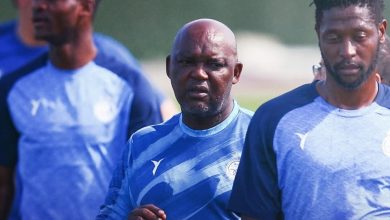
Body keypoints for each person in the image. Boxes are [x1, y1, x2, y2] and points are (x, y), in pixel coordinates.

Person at [0, 0, 167, 219]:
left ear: (86, 6)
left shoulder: (130, 87)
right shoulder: (13, 88)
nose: (38, 6)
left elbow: (150, 182)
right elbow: (3, 185)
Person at [229, 0, 390, 219]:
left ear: (381, 32)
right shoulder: (273, 119)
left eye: (359, 36)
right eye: (334, 38)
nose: (347, 51)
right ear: (318, 34)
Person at [96, 18, 253, 219]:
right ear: (170, 67)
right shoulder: (141, 145)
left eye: (214, 64)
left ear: (236, 72)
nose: (199, 74)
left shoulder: (261, 141)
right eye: (187, 62)